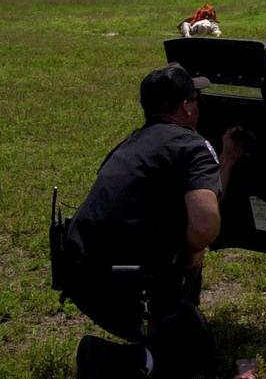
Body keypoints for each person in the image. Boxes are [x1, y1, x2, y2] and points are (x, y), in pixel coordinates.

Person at [62, 64, 245, 379]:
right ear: (186, 107)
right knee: (196, 358)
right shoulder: (191, 145)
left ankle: (158, 333)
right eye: (195, 99)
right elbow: (204, 225)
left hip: (80, 275)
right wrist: (191, 250)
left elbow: (205, 195)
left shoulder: (134, 143)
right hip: (125, 284)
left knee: (187, 325)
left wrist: (227, 160)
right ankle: (120, 360)